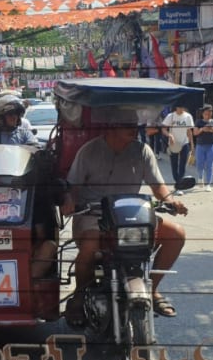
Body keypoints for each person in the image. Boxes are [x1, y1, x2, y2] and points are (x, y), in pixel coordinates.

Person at [62, 107, 189, 322]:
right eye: (127, 126)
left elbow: (158, 187)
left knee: (176, 234)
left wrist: (170, 201)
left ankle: (151, 289)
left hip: (130, 215)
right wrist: (69, 201)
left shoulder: (142, 151)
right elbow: (72, 187)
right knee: (91, 245)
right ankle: (79, 295)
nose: (133, 131)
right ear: (111, 128)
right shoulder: (89, 151)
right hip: (93, 214)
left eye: (135, 126)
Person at [162, 103, 195, 188]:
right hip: (174, 144)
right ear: (176, 107)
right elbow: (163, 129)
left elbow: (189, 131)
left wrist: (192, 144)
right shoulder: (170, 116)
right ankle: (178, 181)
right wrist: (170, 135)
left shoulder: (188, 116)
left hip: (184, 143)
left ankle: (180, 184)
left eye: (183, 107)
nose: (181, 109)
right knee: (174, 164)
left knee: (183, 164)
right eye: (180, 107)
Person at [193, 104, 213, 188]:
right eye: (206, 113)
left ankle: (208, 184)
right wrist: (202, 129)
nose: (208, 115)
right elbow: (195, 133)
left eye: (210, 113)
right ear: (203, 114)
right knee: (199, 164)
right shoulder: (198, 122)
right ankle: (200, 178)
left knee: (210, 165)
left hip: (211, 146)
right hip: (200, 146)